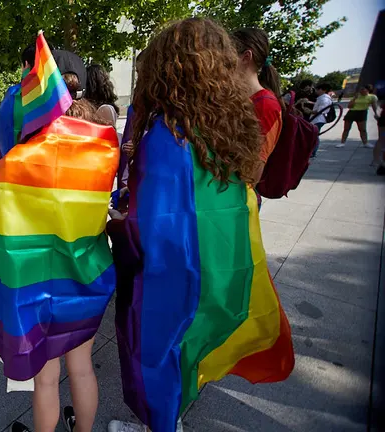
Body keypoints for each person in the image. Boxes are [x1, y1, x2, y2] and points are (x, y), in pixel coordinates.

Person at [106, 19, 294, 432]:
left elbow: (152, 229)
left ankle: (160, 425)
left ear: (167, 70)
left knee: (157, 359)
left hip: (172, 281)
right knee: (188, 357)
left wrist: (119, 224)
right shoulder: (230, 128)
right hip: (221, 272)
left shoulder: (167, 136)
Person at [0, 39, 117, 432]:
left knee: (46, 379)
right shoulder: (103, 151)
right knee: (82, 369)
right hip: (86, 280)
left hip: (37, 289)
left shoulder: (17, 162)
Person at [231, 28, 284, 183]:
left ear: (246, 57)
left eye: (226, 55)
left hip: (237, 192)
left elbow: (252, 173)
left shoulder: (266, 105)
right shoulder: (238, 98)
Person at [309, 82, 334, 157]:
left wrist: (309, 111)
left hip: (318, 119)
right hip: (316, 119)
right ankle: (312, 151)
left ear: (323, 90)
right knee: (314, 135)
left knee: (315, 136)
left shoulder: (325, 99)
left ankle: (313, 152)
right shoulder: (322, 98)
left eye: (318, 89)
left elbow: (320, 110)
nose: (317, 91)